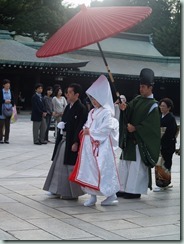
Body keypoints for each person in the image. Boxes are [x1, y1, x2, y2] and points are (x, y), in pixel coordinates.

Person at [69, 75, 120, 206]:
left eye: (96, 99)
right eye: (92, 99)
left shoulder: (107, 112)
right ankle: (92, 196)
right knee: (89, 170)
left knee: (103, 170)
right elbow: (87, 124)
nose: (94, 101)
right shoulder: (92, 112)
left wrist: (90, 132)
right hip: (89, 146)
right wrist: (86, 130)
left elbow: (106, 129)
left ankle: (111, 194)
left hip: (102, 147)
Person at [117, 68, 161, 199]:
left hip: (139, 141)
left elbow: (151, 126)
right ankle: (122, 188)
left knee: (136, 167)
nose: (140, 89)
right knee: (125, 165)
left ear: (150, 88)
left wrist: (136, 128)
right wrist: (124, 108)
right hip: (129, 140)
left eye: (143, 87)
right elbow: (129, 109)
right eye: (140, 86)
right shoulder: (137, 99)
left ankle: (134, 191)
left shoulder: (154, 105)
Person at [43, 83, 88, 200]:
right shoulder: (68, 107)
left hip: (72, 140)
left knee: (70, 166)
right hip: (64, 139)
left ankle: (72, 192)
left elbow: (80, 126)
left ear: (77, 95)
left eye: (69, 93)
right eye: (67, 92)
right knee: (58, 164)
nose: (67, 95)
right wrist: (62, 126)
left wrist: (76, 142)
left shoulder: (81, 108)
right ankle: (56, 189)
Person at [154, 98, 178, 191]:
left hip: (167, 145)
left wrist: (161, 136)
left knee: (166, 164)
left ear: (169, 108)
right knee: (159, 164)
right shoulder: (160, 116)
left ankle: (163, 184)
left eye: (164, 106)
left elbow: (171, 132)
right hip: (159, 144)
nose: (161, 108)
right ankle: (161, 183)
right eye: (161, 105)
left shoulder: (171, 118)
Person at [0, 79, 15, 144]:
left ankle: (6, 139)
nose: (7, 85)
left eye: (8, 84)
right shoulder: (1, 91)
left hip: (9, 110)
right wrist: (4, 101)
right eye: (6, 84)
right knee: (1, 125)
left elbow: (13, 100)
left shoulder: (11, 92)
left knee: (7, 126)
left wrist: (10, 101)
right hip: (2, 109)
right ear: (3, 85)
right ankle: (0, 138)